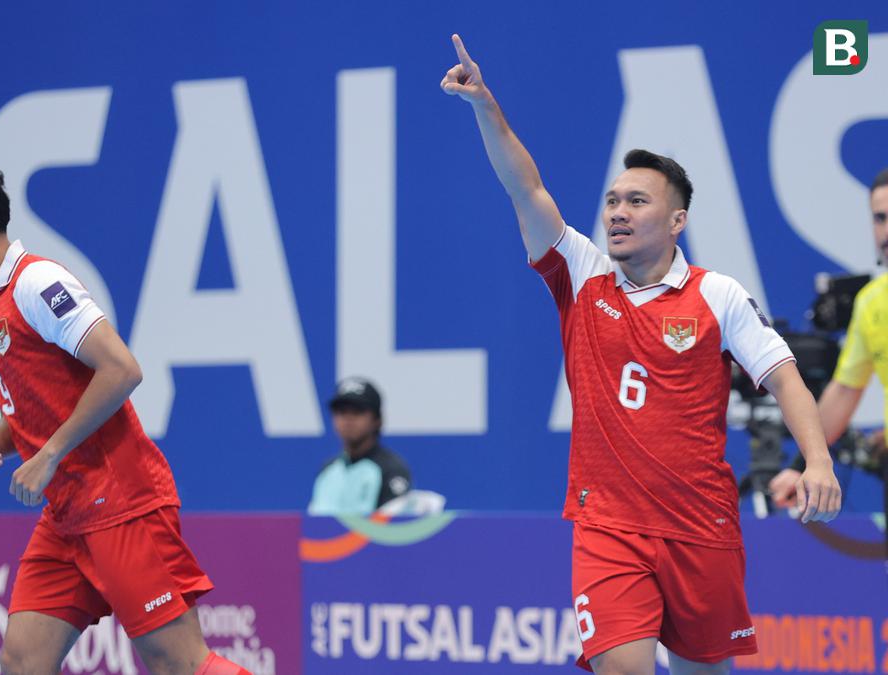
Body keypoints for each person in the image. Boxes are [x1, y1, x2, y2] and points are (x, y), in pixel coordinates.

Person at [441, 34, 842, 674]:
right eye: (612, 201)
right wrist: (486, 106)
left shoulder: (717, 295)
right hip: (608, 526)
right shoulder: (582, 275)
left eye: (636, 201)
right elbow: (526, 188)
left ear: (677, 220)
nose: (617, 213)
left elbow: (785, 377)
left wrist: (817, 460)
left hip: (701, 527)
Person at [0, 167, 250, 675]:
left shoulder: (38, 284)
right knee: (22, 662)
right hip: (66, 516)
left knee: (180, 664)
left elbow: (121, 369)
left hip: (122, 501)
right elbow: (44, 404)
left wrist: (48, 454)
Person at [770, 168, 888, 509]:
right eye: (880, 218)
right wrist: (803, 465)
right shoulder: (871, 302)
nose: (886, 230)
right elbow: (844, 391)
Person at [308, 377, 412, 515]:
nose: (348, 419)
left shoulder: (391, 470)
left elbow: (393, 525)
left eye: (357, 411)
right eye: (342, 412)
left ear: (377, 420)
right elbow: (314, 522)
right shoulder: (327, 470)